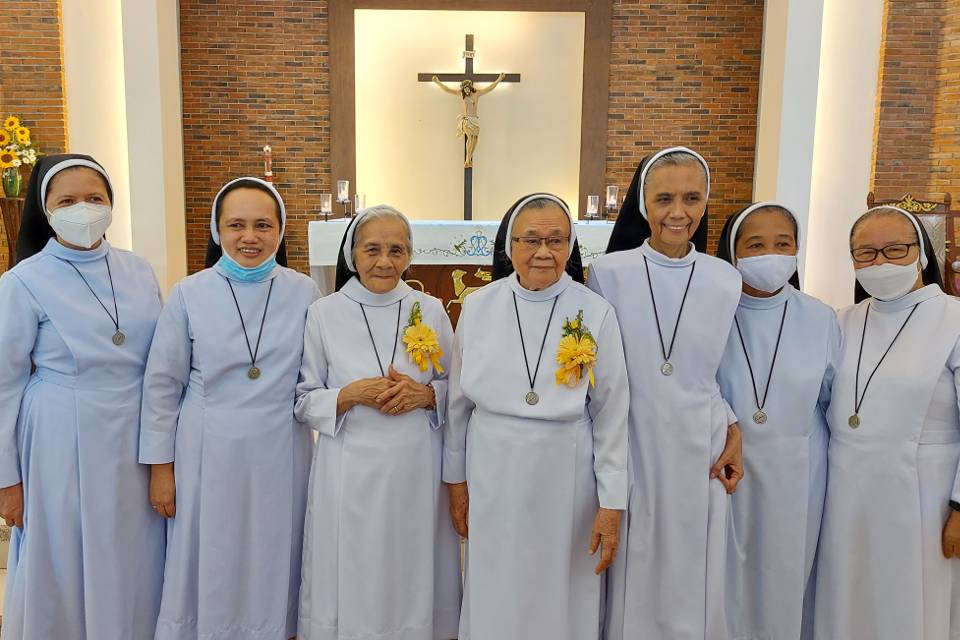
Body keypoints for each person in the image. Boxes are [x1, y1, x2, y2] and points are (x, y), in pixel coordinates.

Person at [139, 177, 318, 640]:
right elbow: (162, 386)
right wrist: (161, 469)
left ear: (281, 231)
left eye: (263, 225)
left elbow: (319, 372)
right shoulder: (189, 293)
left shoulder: (305, 293)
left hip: (282, 447)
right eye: (236, 225)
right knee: (213, 552)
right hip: (207, 448)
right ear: (217, 232)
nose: (250, 237)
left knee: (274, 549)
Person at [443, 193, 629, 640]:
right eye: (531, 239)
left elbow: (611, 412)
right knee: (496, 581)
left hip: (566, 469)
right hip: (493, 464)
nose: (544, 252)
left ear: (570, 246)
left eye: (556, 240)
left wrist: (611, 502)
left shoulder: (595, 311)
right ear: (510, 246)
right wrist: (456, 483)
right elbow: (456, 404)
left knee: (562, 583)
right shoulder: (480, 305)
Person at [0, 154, 165, 638]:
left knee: (132, 551)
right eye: (67, 200)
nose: (83, 209)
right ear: (45, 210)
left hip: (133, 436)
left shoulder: (138, 270)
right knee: (67, 553)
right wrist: (6, 479)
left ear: (112, 204)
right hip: (60, 435)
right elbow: (3, 384)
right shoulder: (22, 281)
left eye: (95, 198)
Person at [588, 146, 744, 639]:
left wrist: (733, 424)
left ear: (706, 202)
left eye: (692, 198)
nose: (679, 213)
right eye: (664, 199)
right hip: (633, 435)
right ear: (642, 204)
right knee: (635, 555)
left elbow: (721, 369)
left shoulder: (726, 278)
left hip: (701, 440)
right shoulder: (608, 273)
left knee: (691, 563)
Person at [295, 205, 461, 640]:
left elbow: (456, 388)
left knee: (411, 562)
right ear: (352, 254)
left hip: (415, 468)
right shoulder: (324, 313)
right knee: (357, 564)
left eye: (396, 250)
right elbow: (302, 399)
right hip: (350, 469)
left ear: (409, 256)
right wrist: (349, 395)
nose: (384, 261)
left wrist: (425, 395)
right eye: (373, 250)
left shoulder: (430, 309)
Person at [814, 205, 960, 640]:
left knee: (912, 607)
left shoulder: (953, 317)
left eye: (895, 250)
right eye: (866, 253)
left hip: (925, 497)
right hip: (845, 494)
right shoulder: (843, 319)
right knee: (847, 598)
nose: (880, 263)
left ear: (921, 254)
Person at [715, 202, 839, 640]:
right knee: (724, 583)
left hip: (798, 473)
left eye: (782, 244)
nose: (771, 254)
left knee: (786, 577)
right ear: (733, 252)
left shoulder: (820, 317)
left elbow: (833, 403)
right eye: (756, 244)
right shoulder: (711, 313)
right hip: (725, 472)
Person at [432, 73, 506, 167]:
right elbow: (447, 89)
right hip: (467, 120)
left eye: (467, 88)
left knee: (475, 138)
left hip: (475, 119)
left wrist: (499, 79)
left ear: (470, 87)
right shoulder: (460, 93)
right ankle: (467, 159)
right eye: (464, 89)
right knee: (470, 136)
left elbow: (490, 87)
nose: (466, 91)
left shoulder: (476, 93)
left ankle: (469, 159)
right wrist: (437, 82)